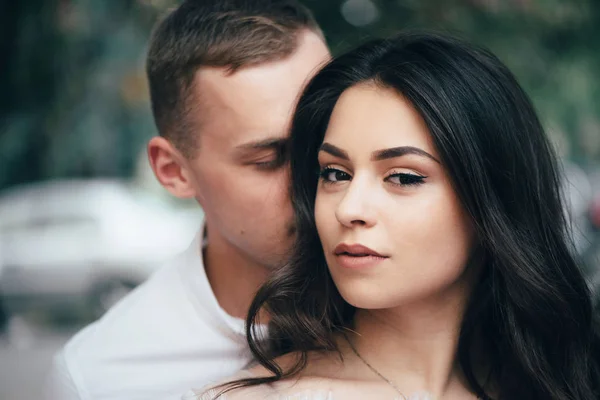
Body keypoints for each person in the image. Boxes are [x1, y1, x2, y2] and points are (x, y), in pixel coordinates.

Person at [194, 32, 600, 400]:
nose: (349, 209)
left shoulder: (558, 380)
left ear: (491, 198)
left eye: (403, 177)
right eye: (335, 174)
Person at [45, 1, 330, 399]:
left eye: (324, 141)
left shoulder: (418, 304)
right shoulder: (99, 377)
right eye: (268, 160)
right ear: (174, 171)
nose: (316, 178)